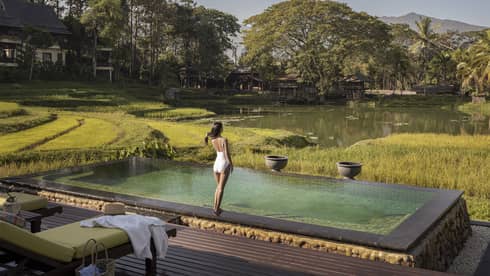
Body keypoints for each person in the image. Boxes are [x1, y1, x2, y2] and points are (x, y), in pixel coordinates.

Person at [205, 122, 233, 216]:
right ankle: (217, 210)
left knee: (218, 187)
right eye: (222, 127)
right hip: (223, 163)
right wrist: (231, 164)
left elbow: (220, 152)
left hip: (216, 164)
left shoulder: (213, 140)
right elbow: (226, 153)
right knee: (221, 188)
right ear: (220, 129)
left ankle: (215, 207)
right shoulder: (224, 139)